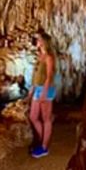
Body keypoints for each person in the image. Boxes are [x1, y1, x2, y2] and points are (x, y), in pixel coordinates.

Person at [27, 30, 56, 158]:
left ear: (44, 42)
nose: (36, 42)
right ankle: (42, 139)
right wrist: (30, 92)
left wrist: (44, 93)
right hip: (38, 89)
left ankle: (44, 147)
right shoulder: (39, 56)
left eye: (38, 40)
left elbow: (49, 76)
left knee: (46, 119)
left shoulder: (49, 57)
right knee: (33, 117)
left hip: (46, 89)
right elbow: (35, 76)